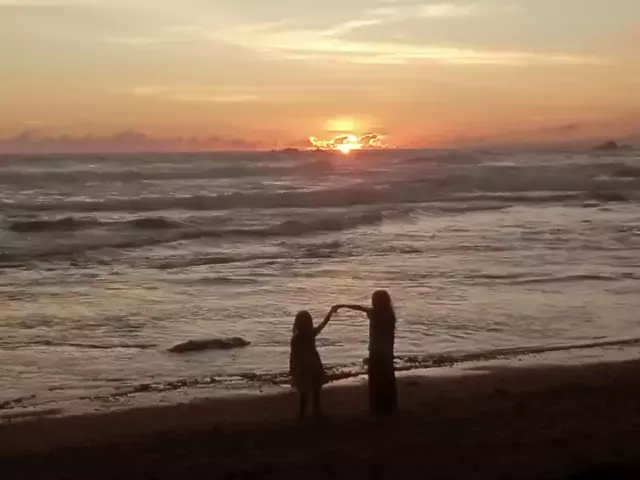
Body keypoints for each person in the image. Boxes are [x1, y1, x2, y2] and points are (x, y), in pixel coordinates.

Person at [337, 290, 397, 415]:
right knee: (387, 379)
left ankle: (377, 407)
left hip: (376, 352)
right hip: (387, 352)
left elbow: (359, 307)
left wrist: (341, 305)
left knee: (375, 381)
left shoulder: (374, 314)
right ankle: (390, 406)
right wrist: (342, 305)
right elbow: (360, 307)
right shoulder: (390, 316)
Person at [289, 306, 337, 421]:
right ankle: (317, 412)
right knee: (316, 390)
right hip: (314, 363)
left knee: (304, 392)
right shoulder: (311, 333)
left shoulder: (296, 338)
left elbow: (293, 355)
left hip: (302, 366)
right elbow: (323, 323)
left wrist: (292, 369)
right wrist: (330, 312)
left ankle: (302, 414)